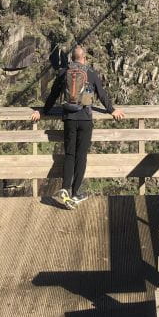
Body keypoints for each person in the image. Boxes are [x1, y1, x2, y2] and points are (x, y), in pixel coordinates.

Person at [31, 45, 124, 208]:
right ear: (84, 58)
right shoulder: (91, 73)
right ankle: (75, 193)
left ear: (71, 58)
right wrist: (112, 110)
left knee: (69, 154)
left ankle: (65, 189)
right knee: (81, 156)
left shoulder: (63, 73)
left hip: (69, 118)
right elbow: (102, 94)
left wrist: (42, 112)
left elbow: (53, 95)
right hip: (85, 119)